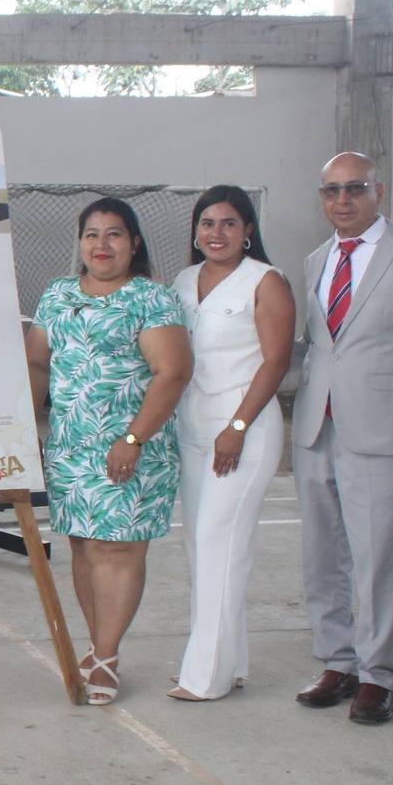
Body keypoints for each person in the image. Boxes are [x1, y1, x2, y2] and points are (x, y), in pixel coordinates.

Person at [290, 152, 393, 724]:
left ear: (378, 192)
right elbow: (321, 347)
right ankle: (338, 661)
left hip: (385, 435)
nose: (342, 200)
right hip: (316, 428)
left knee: (379, 559)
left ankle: (378, 675)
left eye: (354, 188)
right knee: (322, 556)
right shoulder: (317, 259)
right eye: (331, 190)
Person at [26, 198, 193, 704]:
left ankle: (106, 655)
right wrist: (26, 431)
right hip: (70, 447)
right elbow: (37, 364)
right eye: (92, 234)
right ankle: (99, 645)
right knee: (82, 545)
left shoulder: (152, 299)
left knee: (117, 549)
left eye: (114, 234)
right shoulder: (56, 295)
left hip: (132, 449)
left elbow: (173, 372)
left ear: (134, 243)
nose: (102, 245)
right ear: (80, 243)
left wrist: (133, 438)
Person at [169, 187, 295, 701]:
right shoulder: (182, 281)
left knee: (220, 544)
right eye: (207, 223)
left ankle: (207, 678)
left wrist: (238, 427)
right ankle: (228, 660)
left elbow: (276, 362)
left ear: (248, 232)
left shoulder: (266, 281)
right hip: (192, 428)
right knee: (201, 548)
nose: (216, 233)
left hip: (244, 430)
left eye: (228, 223)